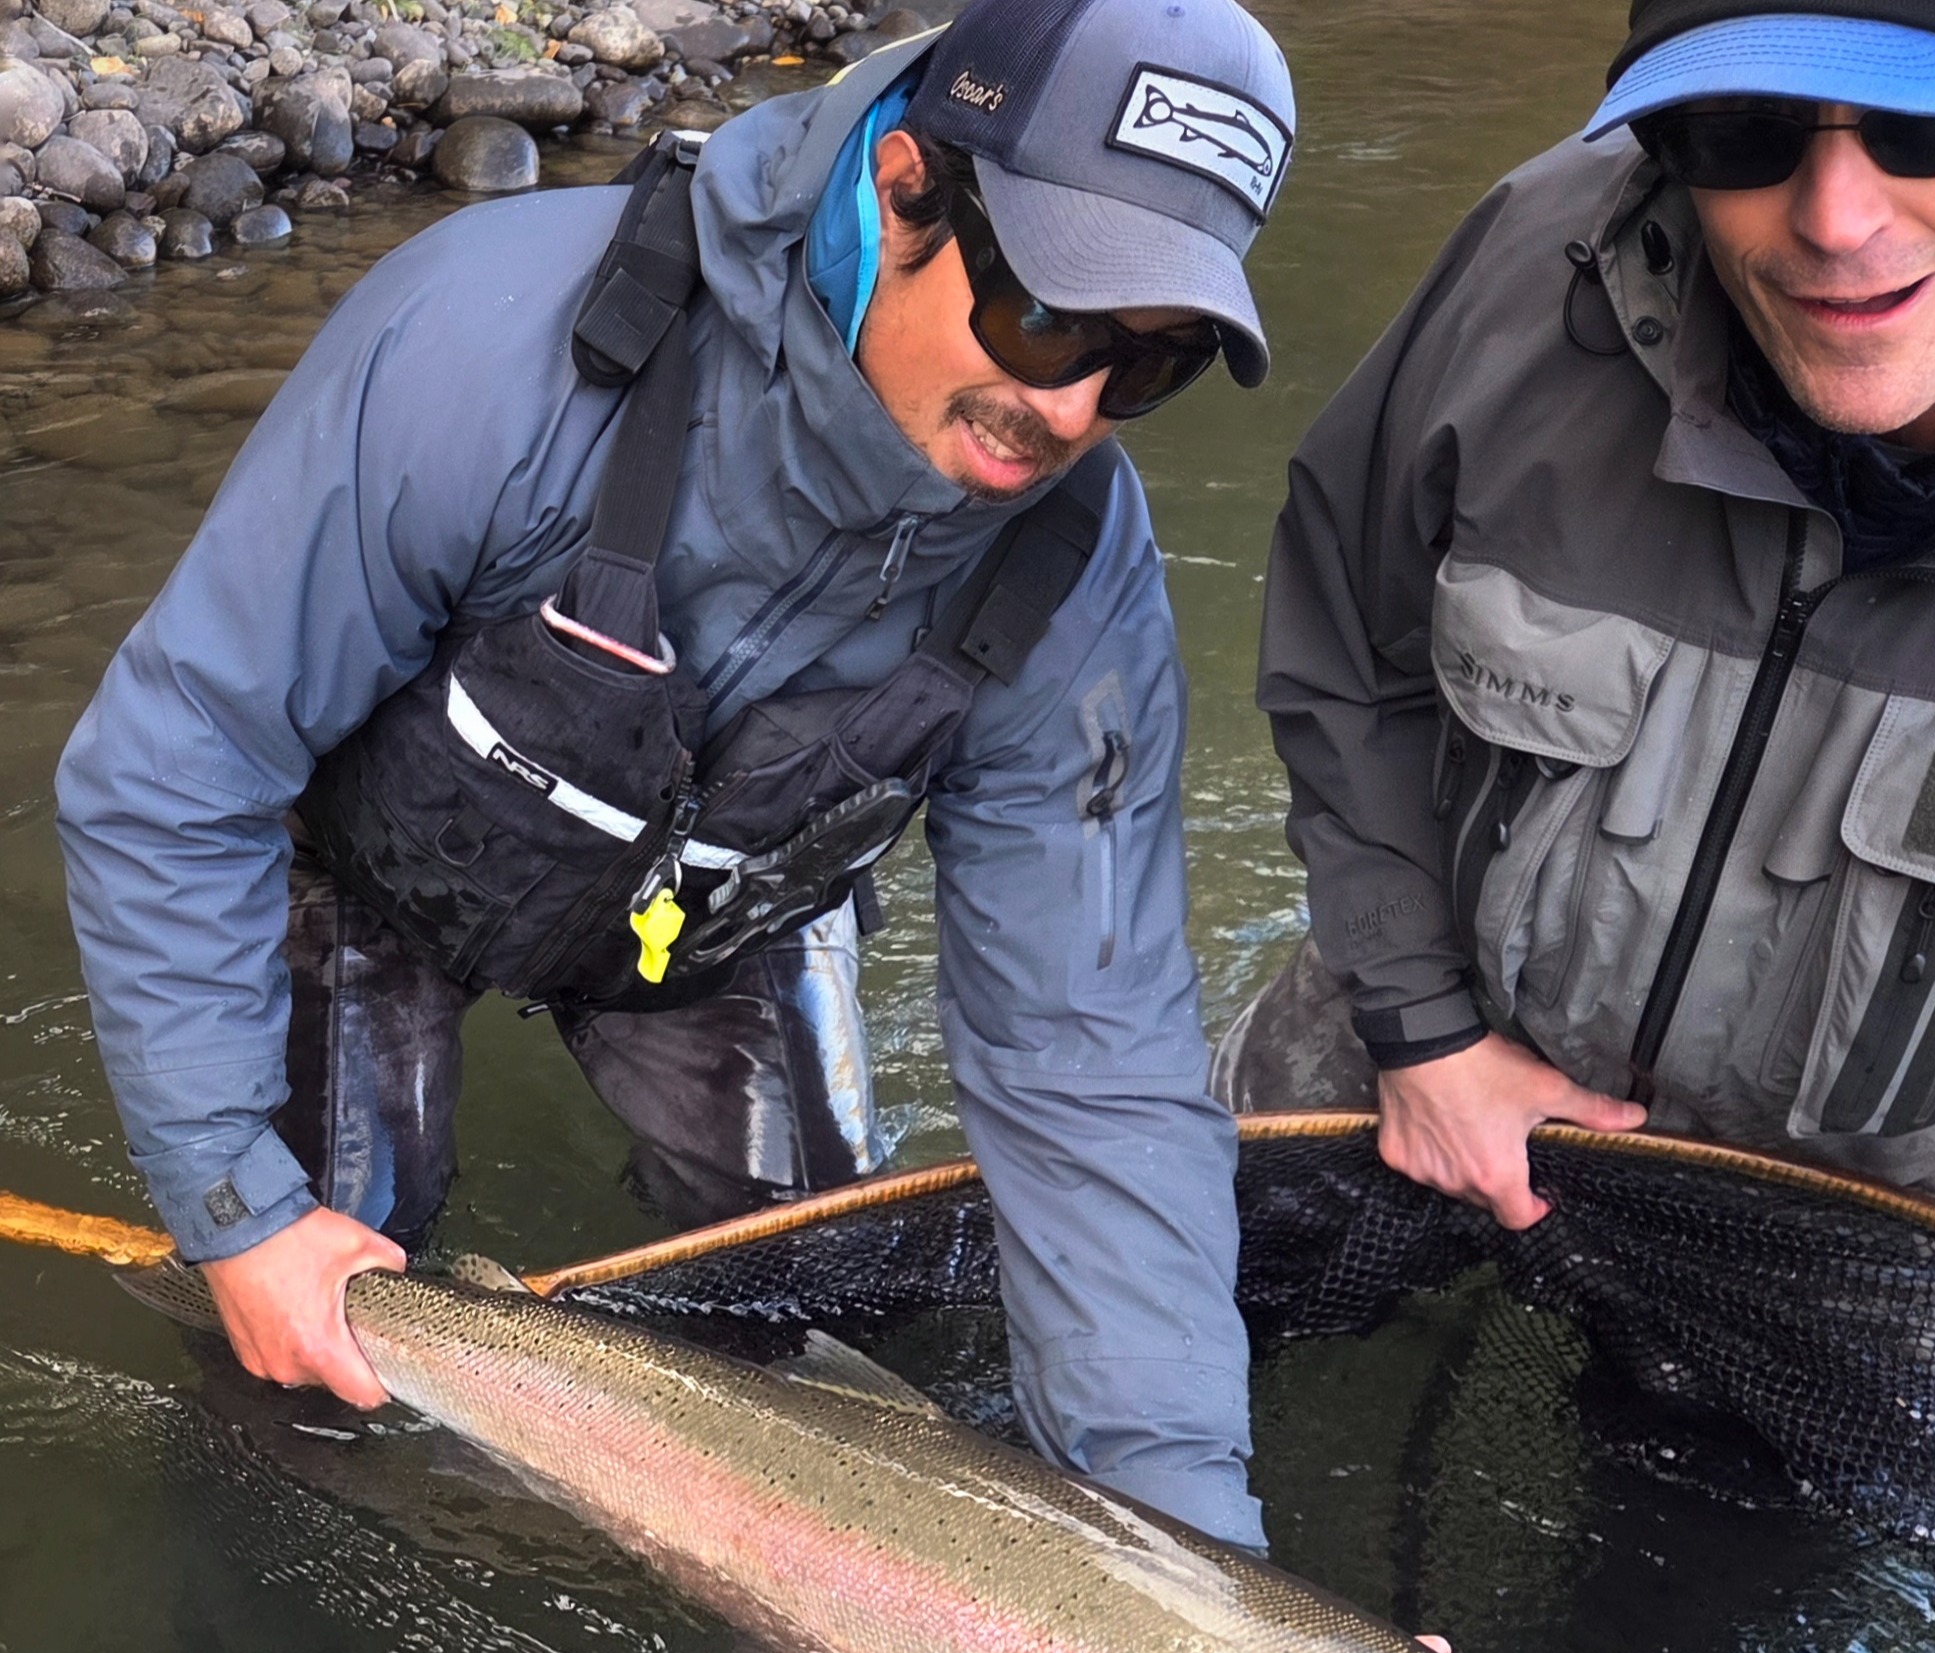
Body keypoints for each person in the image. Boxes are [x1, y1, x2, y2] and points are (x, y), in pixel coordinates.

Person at [56, 0, 1299, 1550]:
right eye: (1048, 322)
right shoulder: (488, 347)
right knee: (310, 1362)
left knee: (824, 1332)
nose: (1067, 411)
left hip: (725, 911)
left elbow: (1091, 1077)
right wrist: (231, 1205)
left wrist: (1191, 1571)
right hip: (382, 873)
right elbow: (174, 765)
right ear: (908, 187)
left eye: (1147, 366)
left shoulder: (1076, 577)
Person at [1231, 0, 1935, 1653]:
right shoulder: (1534, 263)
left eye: (1922, 128)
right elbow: (1344, 645)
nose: (1832, 217)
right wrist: (1420, 1028)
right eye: (1743, 136)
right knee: (1127, 1369)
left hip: (1844, 1222)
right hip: (1411, 1046)